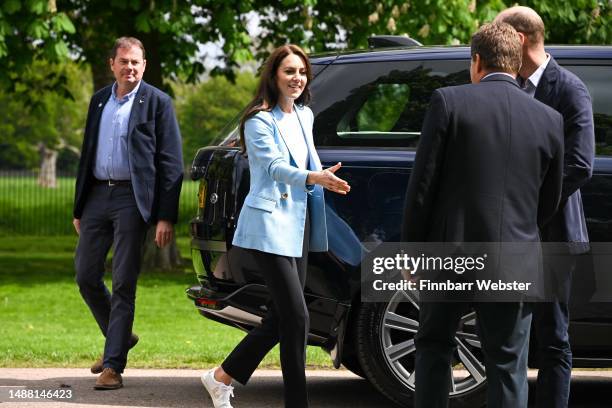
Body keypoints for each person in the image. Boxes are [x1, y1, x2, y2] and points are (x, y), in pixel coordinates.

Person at [401, 23, 564, 408]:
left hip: (449, 255)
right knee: (508, 364)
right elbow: (549, 199)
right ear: (517, 63)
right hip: (516, 259)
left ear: (476, 61)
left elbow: (422, 187)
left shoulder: (448, 102)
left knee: (434, 347)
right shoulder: (550, 119)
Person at [199, 44, 350, 408]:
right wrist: (314, 177)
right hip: (268, 226)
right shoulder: (258, 120)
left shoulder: (304, 115)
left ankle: (220, 378)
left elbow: (307, 159)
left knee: (282, 316)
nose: (296, 78)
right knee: (298, 315)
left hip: (298, 223)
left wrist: (321, 175)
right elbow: (271, 169)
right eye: (289, 71)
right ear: (274, 76)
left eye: (301, 71)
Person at [495, 7, 595, 407]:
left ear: (518, 39)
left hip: (554, 234)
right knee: (509, 336)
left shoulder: (569, 89)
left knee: (554, 337)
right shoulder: (508, 88)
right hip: (512, 237)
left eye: (501, 36)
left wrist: (526, 208)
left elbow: (580, 165)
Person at [73, 36, 183, 390]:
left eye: (136, 62)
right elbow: (87, 153)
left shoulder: (158, 103)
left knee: (123, 281)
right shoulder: (99, 100)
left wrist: (165, 217)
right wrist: (79, 208)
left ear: (144, 65)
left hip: (131, 201)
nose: (130, 68)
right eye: (124, 62)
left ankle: (113, 365)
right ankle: (119, 337)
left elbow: (171, 163)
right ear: (113, 65)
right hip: (95, 198)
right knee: (86, 275)